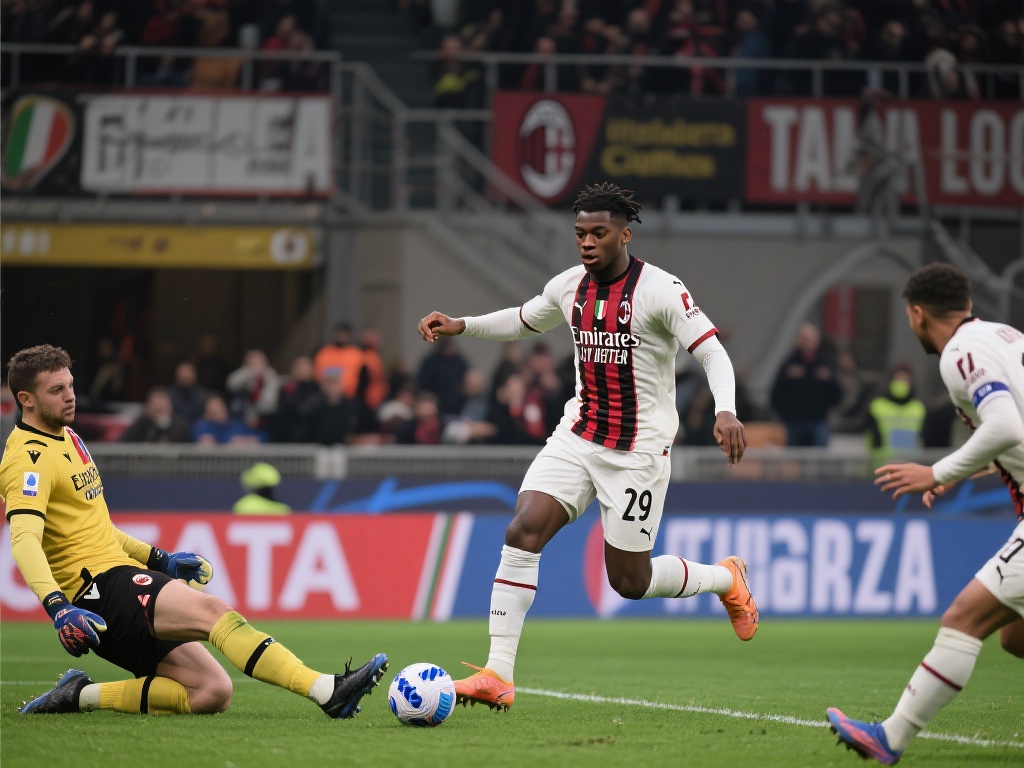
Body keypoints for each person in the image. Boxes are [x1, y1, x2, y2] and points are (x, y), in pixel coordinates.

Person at [416, 182, 758, 712]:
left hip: (637, 453)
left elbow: (711, 352)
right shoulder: (568, 286)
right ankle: (497, 674)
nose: (587, 242)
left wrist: (725, 410)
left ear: (624, 234)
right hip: (578, 436)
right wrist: (463, 325)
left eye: (599, 232)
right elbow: (524, 319)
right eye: (580, 233)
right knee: (523, 529)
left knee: (630, 581)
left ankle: (724, 578)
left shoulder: (661, 290)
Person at [2, 345, 387, 718]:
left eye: (70, 385)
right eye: (57, 390)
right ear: (26, 399)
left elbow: (99, 530)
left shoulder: (68, 436)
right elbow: (24, 540)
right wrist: (58, 607)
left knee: (211, 691)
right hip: (97, 593)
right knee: (212, 611)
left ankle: (78, 695)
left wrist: (160, 559)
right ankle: (326, 689)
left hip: (115, 578)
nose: (70, 396)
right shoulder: (27, 460)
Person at [827, 263, 1024, 764]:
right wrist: (965, 471)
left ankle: (889, 737)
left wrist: (936, 471)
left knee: (963, 619)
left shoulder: (959, 353)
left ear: (917, 314)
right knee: (1015, 636)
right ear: (967, 304)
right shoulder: (1005, 338)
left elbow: (1005, 427)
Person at [770, 322, 842, 446]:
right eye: (803, 338)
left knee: (819, 455)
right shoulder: (790, 363)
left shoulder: (826, 363)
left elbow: (837, 392)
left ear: (817, 340)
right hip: (793, 422)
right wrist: (783, 414)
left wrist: (829, 380)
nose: (806, 342)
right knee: (793, 456)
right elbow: (777, 391)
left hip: (818, 420)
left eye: (809, 339)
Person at [864, 364, 926, 467]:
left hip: (911, 466)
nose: (901, 383)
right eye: (898, 379)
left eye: (905, 380)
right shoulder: (877, 406)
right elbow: (870, 436)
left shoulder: (919, 408)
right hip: (881, 465)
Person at [118, 387, 192, 444]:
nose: (159, 413)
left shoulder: (180, 425)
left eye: (162, 408)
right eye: (156, 408)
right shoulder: (142, 423)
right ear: (148, 407)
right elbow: (122, 443)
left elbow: (189, 449)